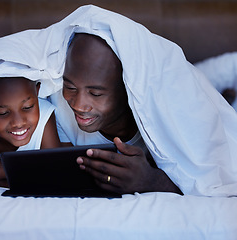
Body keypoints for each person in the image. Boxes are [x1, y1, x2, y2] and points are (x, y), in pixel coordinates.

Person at [53, 33, 182, 195]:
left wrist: (152, 180)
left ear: (129, 90)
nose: (79, 106)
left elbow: (208, 181)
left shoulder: (166, 117)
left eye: (95, 94)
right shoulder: (56, 106)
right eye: (70, 88)